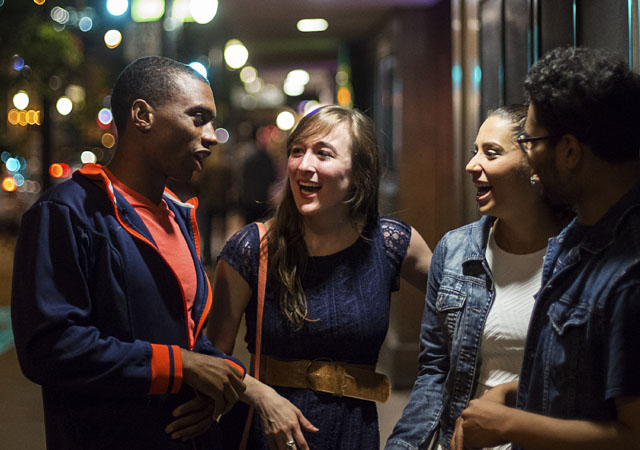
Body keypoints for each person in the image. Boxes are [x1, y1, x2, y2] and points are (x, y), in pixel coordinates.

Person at [10, 56, 246, 450]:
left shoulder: (176, 215)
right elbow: (48, 348)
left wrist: (218, 381)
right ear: (142, 115)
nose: (211, 136)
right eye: (198, 117)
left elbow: (185, 334)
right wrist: (181, 366)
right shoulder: (68, 212)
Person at [206, 105, 432, 450]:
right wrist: (261, 394)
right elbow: (211, 359)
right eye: (297, 151)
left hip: (353, 434)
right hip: (268, 434)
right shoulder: (252, 248)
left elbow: (464, 307)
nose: (304, 165)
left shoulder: (390, 243)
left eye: (323, 153)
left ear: (358, 172)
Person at [450, 47, 640, 450]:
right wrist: (514, 392)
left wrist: (511, 424)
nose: (529, 159)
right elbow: (579, 376)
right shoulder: (576, 237)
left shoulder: (629, 273)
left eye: (530, 141)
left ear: (570, 151)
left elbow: (633, 434)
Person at [385, 105, 564, 450]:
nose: (471, 165)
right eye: (474, 151)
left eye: (491, 152)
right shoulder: (455, 251)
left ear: (535, 168)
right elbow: (435, 372)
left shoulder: (581, 256)